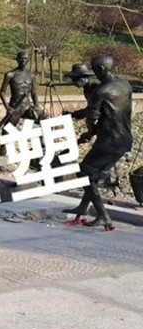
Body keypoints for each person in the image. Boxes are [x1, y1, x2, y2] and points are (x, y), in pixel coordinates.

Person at [65, 55, 133, 230]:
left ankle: (103, 216)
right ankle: (83, 207)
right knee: (93, 175)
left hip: (109, 141)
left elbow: (92, 116)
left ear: (100, 69)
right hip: (124, 139)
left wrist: (87, 132)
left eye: (95, 70)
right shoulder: (125, 85)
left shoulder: (101, 91)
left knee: (84, 172)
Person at [0, 51, 40, 150]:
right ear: (17, 60)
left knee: (45, 118)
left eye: (25, 58)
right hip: (15, 107)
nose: (23, 60)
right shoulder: (10, 74)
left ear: (28, 60)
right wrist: (7, 107)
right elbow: (2, 92)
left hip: (27, 107)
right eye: (21, 58)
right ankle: (3, 155)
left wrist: (37, 106)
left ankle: (43, 145)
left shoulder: (31, 76)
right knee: (7, 131)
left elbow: (34, 93)